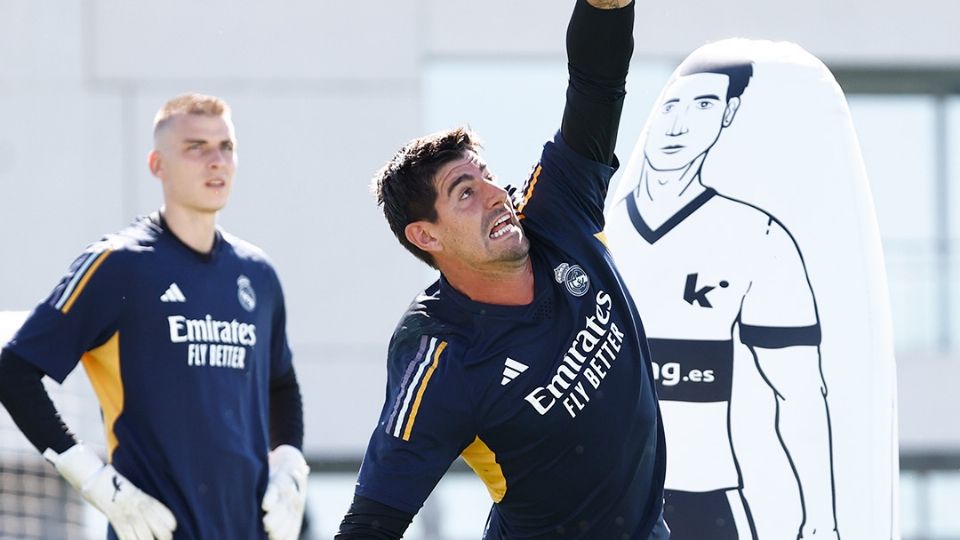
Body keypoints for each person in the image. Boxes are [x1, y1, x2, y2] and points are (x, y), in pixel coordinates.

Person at [336, 1, 668, 539]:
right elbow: (374, 520)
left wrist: (607, 8)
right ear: (426, 235)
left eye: (486, 175)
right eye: (464, 193)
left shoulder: (556, 211)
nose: (495, 195)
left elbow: (596, 84)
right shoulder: (440, 354)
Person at [0, 94, 309, 540]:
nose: (216, 160)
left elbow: (281, 383)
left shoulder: (257, 274)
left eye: (227, 146)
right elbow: (15, 369)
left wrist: (291, 467)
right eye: (196, 147)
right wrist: (94, 481)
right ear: (157, 164)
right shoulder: (118, 264)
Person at [605, 54, 840, 539]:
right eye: (670, 107)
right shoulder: (593, 234)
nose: (679, 125)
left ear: (728, 115)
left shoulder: (757, 237)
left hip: (700, 503)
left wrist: (821, 523)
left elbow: (799, 391)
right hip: (595, 500)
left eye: (704, 104)